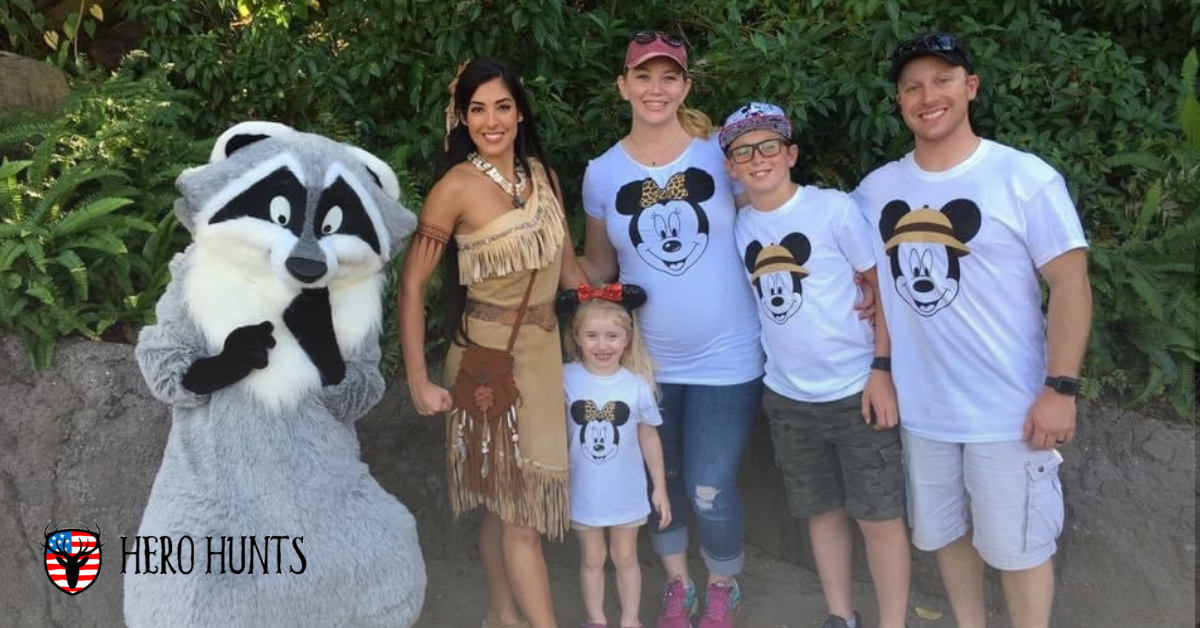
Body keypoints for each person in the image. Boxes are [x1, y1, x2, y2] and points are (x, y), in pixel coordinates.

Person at [852, 32, 1092, 628]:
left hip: (1009, 410)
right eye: (913, 86)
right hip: (923, 409)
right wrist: (878, 359)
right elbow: (860, 275)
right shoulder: (876, 192)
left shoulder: (1023, 177)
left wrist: (1060, 388)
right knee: (945, 535)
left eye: (943, 80)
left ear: (971, 87)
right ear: (899, 100)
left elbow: (1071, 284)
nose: (928, 96)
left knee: (1019, 548)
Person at [577, 31, 764, 628]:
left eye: (668, 77)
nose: (655, 89)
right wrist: (541, 246)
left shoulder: (720, 154)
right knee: (662, 476)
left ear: (685, 86)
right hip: (647, 361)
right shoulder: (602, 173)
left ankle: (723, 585)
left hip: (728, 355)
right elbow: (599, 269)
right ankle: (678, 584)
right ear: (623, 86)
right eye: (643, 76)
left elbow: (771, 224)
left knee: (710, 483)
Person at [399, 57, 586, 628]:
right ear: (463, 118)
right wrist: (417, 379)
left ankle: (502, 616)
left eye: (502, 106)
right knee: (520, 516)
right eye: (477, 109)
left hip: (543, 357)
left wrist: (617, 308)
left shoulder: (543, 177)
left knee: (506, 509)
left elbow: (571, 273)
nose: (491, 120)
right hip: (486, 364)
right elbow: (412, 285)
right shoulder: (454, 187)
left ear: (520, 111)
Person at [721, 102, 911, 628]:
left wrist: (882, 369)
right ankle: (839, 615)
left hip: (856, 388)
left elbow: (881, 288)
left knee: (879, 516)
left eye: (769, 146)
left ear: (791, 154)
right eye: (743, 152)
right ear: (731, 166)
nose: (758, 158)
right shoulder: (739, 226)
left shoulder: (833, 210)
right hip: (788, 396)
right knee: (820, 511)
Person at [559, 283, 671, 628]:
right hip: (584, 490)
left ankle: (630, 619)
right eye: (592, 335)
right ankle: (596, 619)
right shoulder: (565, 378)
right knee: (592, 557)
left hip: (626, 490)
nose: (602, 345)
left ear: (627, 338)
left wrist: (659, 487)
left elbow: (649, 436)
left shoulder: (636, 385)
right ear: (576, 337)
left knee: (625, 556)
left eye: (612, 336)